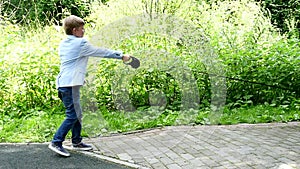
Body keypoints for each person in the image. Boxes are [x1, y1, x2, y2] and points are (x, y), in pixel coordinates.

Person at [48, 15, 131, 157]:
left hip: (65, 84)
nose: (84, 31)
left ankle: (77, 141)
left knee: (77, 114)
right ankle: (56, 142)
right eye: (82, 29)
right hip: (69, 85)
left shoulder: (64, 43)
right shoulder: (80, 44)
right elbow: (101, 52)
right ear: (75, 30)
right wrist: (121, 56)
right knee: (73, 115)